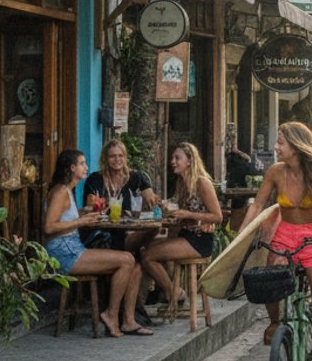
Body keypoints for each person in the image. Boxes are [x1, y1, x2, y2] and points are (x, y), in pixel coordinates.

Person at [240, 122, 312, 361]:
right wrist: (242, 234)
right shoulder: (275, 172)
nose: (276, 148)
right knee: (269, 282)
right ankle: (275, 322)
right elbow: (257, 205)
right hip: (284, 235)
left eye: (280, 143)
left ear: (296, 146)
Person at [42, 149, 150, 337]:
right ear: (72, 167)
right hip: (63, 252)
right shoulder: (60, 191)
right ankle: (110, 314)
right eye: (82, 163)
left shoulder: (68, 189)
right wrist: (82, 221)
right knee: (126, 260)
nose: (86, 167)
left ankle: (129, 321)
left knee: (135, 266)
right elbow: (49, 227)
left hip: (72, 247)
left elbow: (65, 218)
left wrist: (85, 214)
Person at [140, 143, 224, 318]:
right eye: (172, 158)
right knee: (146, 250)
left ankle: (174, 293)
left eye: (177, 158)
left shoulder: (202, 182)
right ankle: (170, 293)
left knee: (148, 256)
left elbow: (218, 217)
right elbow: (177, 209)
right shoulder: (182, 183)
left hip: (199, 240)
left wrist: (188, 214)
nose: (172, 161)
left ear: (189, 160)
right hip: (185, 236)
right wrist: (164, 205)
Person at [82, 139, 160, 252]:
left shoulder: (137, 178)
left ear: (125, 157)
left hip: (130, 231)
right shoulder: (95, 179)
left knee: (154, 229)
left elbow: (151, 199)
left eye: (120, 155)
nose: (117, 160)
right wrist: (95, 203)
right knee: (136, 265)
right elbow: (90, 204)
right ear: (105, 158)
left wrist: (152, 199)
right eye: (112, 156)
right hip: (103, 233)